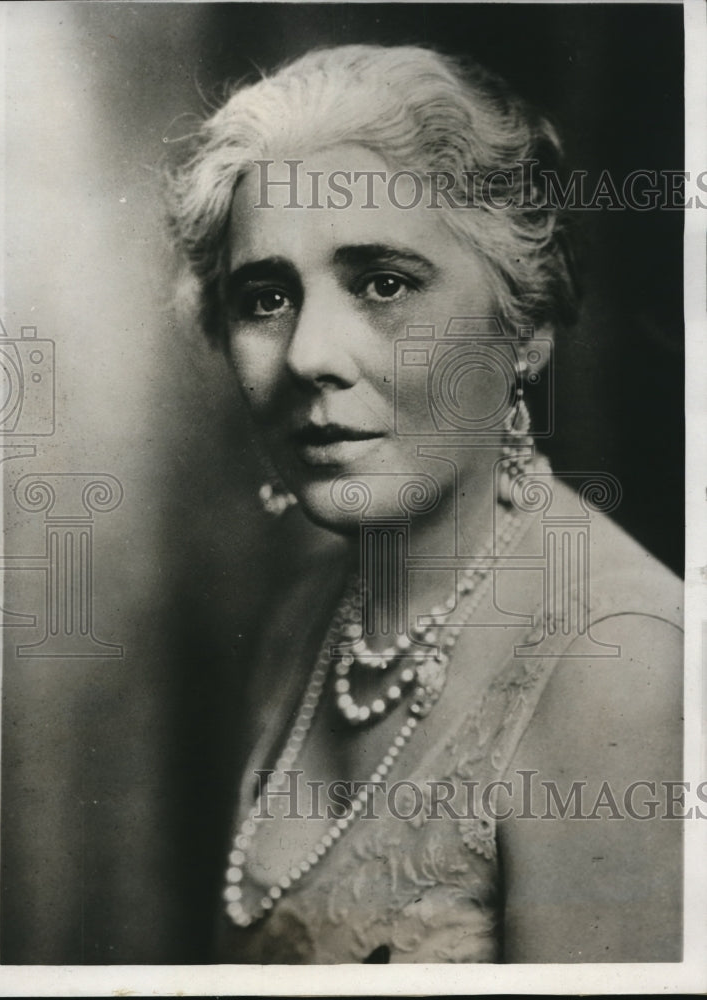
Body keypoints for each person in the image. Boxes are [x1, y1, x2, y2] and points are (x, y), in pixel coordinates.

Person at [168, 44, 683, 963]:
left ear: (523, 325)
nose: (308, 356)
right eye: (267, 296)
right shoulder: (304, 617)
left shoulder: (625, 665)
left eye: (384, 284)